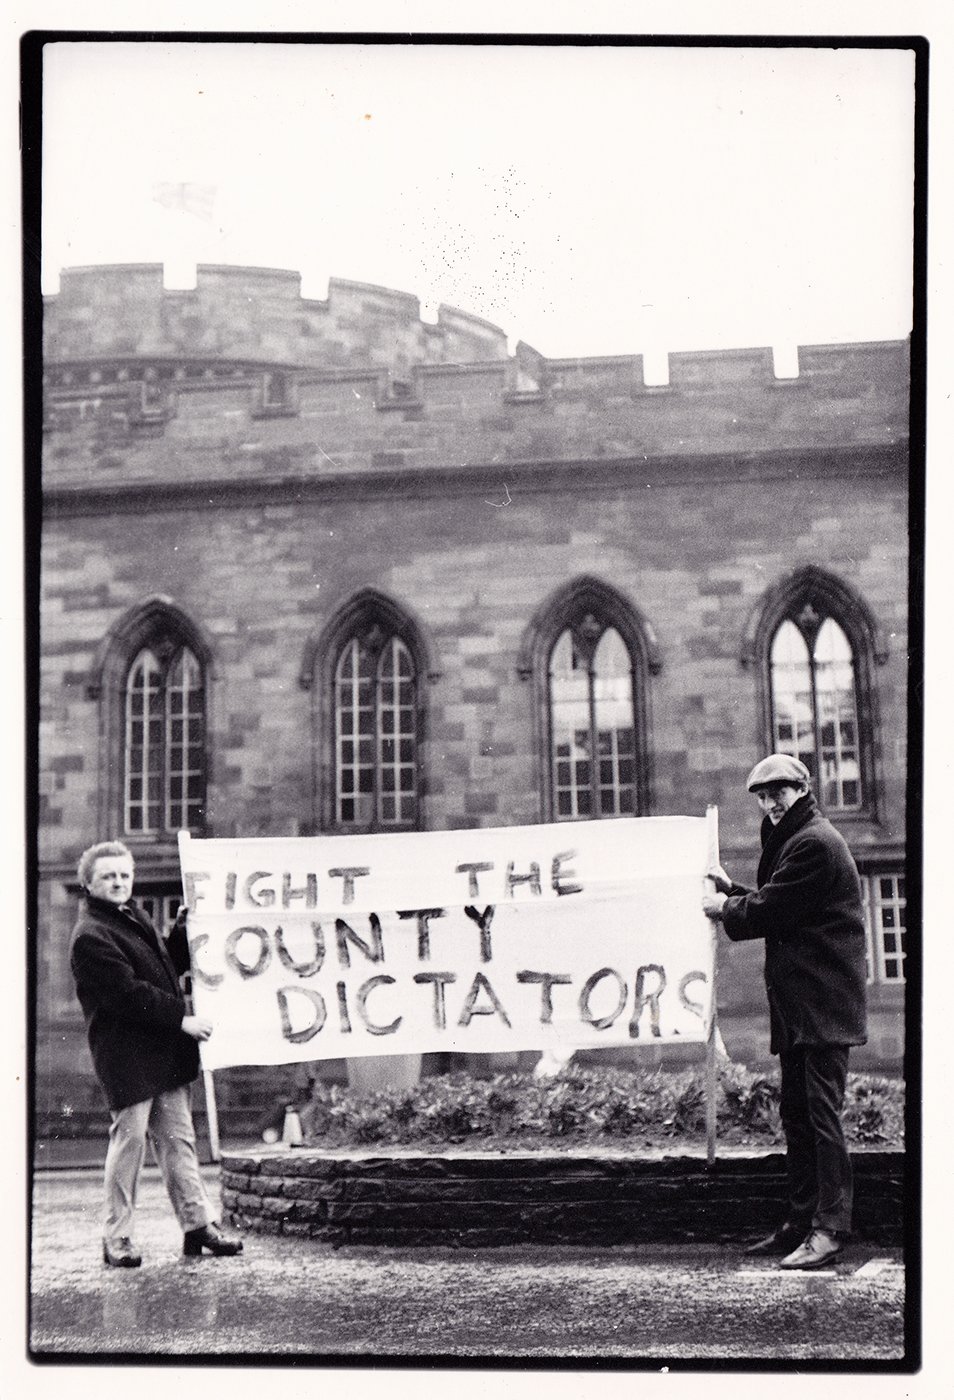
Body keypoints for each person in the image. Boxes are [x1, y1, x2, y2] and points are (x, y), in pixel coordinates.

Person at [701, 754, 867, 1270]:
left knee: (819, 1117)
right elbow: (780, 900)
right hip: (805, 1005)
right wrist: (733, 892)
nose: (770, 803)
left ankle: (830, 1229)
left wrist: (725, 909)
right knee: (797, 1115)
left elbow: (775, 909)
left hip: (822, 1005)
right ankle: (801, 1222)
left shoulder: (814, 842)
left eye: (780, 793)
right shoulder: (797, 838)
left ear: (802, 790)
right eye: (763, 796)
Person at [69, 840, 243, 1268]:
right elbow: (127, 994)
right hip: (128, 1057)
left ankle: (198, 1225)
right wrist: (182, 1019)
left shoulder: (131, 917)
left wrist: (181, 933)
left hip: (160, 1052)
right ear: (89, 883)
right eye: (108, 876)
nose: (118, 882)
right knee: (129, 1147)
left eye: (124, 875)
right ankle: (117, 1237)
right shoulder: (91, 935)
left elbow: (162, 967)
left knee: (179, 1141)